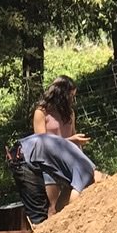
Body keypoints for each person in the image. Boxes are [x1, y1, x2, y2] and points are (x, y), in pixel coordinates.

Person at [7, 133, 104, 227]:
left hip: (25, 149)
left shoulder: (82, 167)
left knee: (43, 215)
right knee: (38, 217)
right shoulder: (86, 174)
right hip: (23, 157)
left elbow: (60, 206)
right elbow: (73, 205)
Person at [32, 76, 91, 215]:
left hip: (70, 162)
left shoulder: (70, 113)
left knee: (71, 201)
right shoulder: (41, 112)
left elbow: (73, 135)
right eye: (71, 96)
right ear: (61, 94)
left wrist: (81, 156)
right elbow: (42, 143)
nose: (73, 100)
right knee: (53, 207)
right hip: (49, 164)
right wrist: (71, 140)